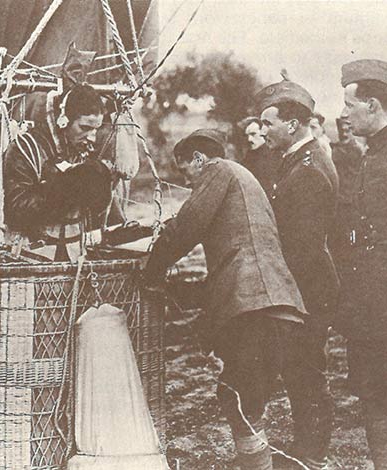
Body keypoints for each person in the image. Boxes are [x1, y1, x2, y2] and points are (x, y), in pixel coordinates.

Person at [143, 128, 309, 470]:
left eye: (186, 171)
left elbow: (187, 226)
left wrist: (150, 271)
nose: (188, 182)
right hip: (276, 302)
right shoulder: (242, 177)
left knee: (237, 393)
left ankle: (256, 464)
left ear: (200, 160)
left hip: (253, 303)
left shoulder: (217, 171)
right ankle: (255, 461)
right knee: (247, 393)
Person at [256, 80, 340, 469]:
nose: (262, 130)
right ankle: (307, 450)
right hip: (305, 287)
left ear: (291, 125)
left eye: (267, 123)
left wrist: (284, 292)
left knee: (305, 372)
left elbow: (303, 247)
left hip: (306, 289)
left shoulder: (307, 167)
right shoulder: (299, 159)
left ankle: (311, 455)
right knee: (301, 371)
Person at [336, 59, 387, 468]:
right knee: (373, 388)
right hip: (371, 298)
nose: (343, 114)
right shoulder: (371, 154)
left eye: (349, 106)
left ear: (372, 105)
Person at [4, 83, 113, 262]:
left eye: (96, 129)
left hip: (75, 257)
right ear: (64, 119)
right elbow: (16, 208)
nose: (92, 137)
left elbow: (93, 213)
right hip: (31, 258)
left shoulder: (80, 151)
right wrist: (64, 189)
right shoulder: (26, 149)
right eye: (85, 128)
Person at [328, 116, 365, 276]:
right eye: (342, 129)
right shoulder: (336, 147)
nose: (344, 132)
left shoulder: (356, 149)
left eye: (348, 129)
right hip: (338, 196)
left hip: (349, 197)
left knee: (348, 235)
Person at [238, 116, 281, 195]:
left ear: (263, 133)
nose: (249, 139)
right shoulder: (248, 157)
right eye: (246, 135)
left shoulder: (274, 155)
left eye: (253, 134)